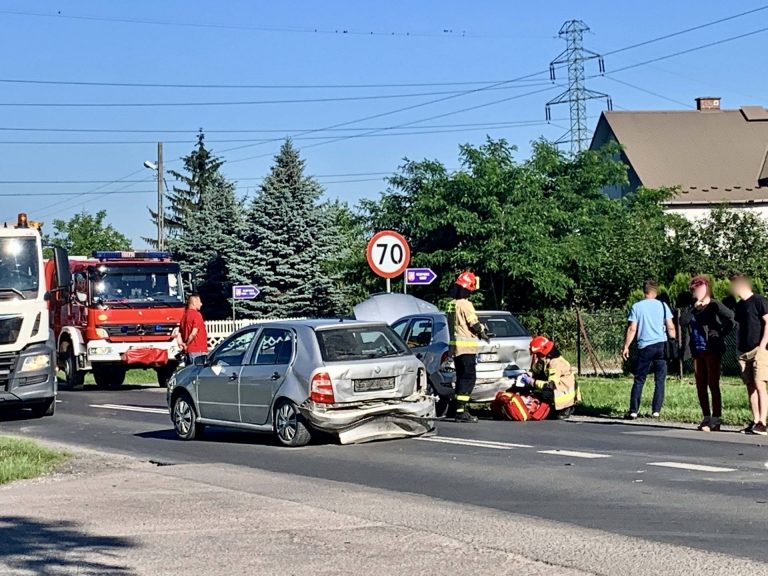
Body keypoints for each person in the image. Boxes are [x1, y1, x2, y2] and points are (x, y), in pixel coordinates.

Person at [679, 276, 735, 432]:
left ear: (706, 289)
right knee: (700, 385)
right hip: (697, 350)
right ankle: (706, 416)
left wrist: (720, 333)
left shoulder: (715, 304)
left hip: (711, 349)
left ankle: (716, 418)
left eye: (699, 289)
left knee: (713, 383)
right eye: (694, 291)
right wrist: (693, 308)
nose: (696, 293)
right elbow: (682, 321)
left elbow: (731, 317)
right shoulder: (691, 306)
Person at [622, 280, 676, 419]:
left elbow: (632, 328)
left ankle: (633, 410)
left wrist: (626, 346)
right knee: (659, 380)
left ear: (644, 291)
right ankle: (656, 410)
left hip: (645, 346)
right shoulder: (663, 306)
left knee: (639, 379)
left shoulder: (637, 307)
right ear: (656, 292)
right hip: (661, 345)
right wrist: (673, 341)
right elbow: (670, 327)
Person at [446, 271, 490, 423]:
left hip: (455, 348)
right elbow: (474, 324)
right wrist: (483, 333)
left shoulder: (451, 305)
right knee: (469, 378)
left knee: (460, 378)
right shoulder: (466, 305)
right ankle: (461, 412)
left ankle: (458, 409)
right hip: (467, 349)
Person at [729, 273, 768, 435]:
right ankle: (755, 420)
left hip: (759, 349)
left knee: (760, 385)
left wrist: (763, 345)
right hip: (743, 351)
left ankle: (763, 422)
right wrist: (738, 347)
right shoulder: (740, 306)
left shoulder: (759, 301)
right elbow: (739, 327)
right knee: (750, 386)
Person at [519, 335, 579, 418]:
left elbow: (550, 385)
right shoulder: (547, 360)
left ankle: (565, 408)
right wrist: (529, 374)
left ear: (543, 352)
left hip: (565, 394)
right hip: (560, 389)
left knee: (545, 393)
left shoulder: (555, 363)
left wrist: (532, 382)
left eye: (538, 354)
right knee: (535, 390)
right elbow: (537, 371)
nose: (537, 357)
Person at [178, 293, 208, 365]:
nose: (201, 304)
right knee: (198, 372)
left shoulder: (184, 316)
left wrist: (181, 344)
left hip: (188, 351)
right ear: (194, 303)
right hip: (198, 350)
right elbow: (193, 333)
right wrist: (186, 343)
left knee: (189, 372)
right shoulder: (197, 315)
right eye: (199, 302)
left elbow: (178, 333)